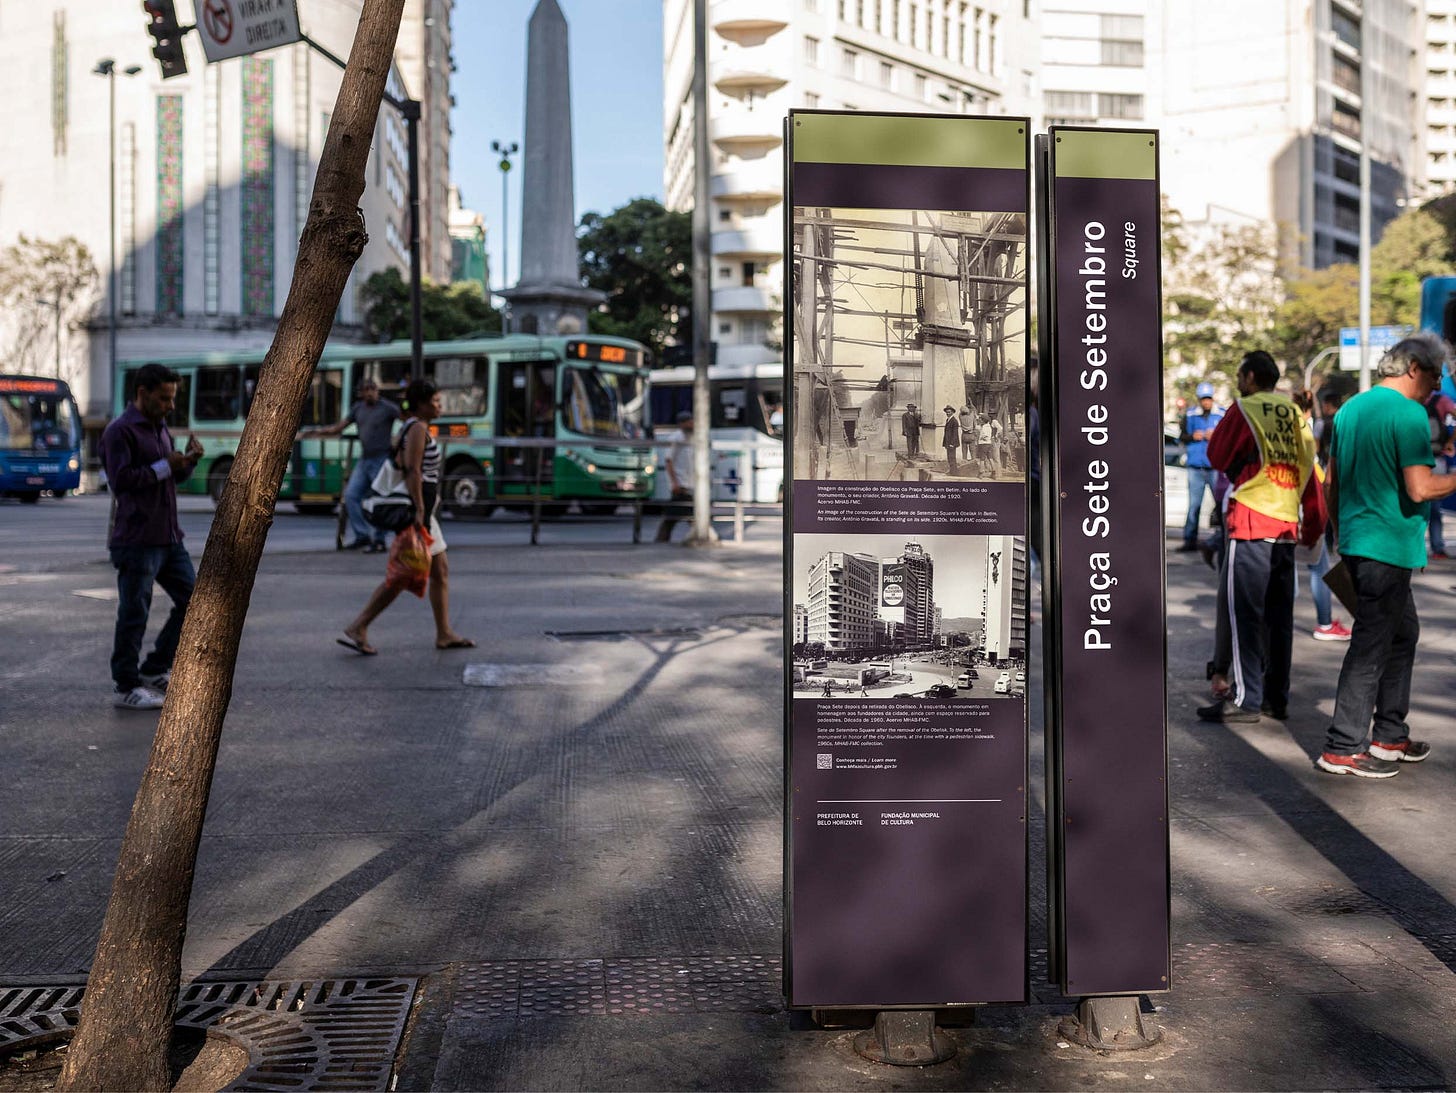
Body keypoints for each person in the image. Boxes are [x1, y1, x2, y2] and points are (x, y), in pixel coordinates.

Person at [1316, 333, 1456, 777]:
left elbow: (1332, 483)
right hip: (1389, 544)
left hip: (1359, 540)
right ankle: (1342, 747)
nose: (1437, 385)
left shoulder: (1352, 408)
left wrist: (1341, 535)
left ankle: (1390, 735)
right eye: (1436, 375)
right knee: (1371, 646)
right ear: (1414, 367)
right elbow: (1420, 488)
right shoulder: (1411, 414)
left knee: (1400, 635)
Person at [1197, 351, 1325, 724]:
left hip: (1252, 520)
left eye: (1240, 376)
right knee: (1279, 620)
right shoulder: (1295, 417)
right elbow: (1309, 476)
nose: (1239, 382)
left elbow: (1217, 455)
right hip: (1287, 527)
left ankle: (1245, 699)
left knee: (1245, 616)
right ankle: (1275, 698)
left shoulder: (1246, 407)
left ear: (1251, 377)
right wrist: (1313, 529)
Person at [339, 379, 474, 654]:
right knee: (403, 573)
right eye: (435, 401)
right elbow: (413, 470)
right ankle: (360, 625)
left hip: (422, 511)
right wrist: (420, 509)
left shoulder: (415, 427)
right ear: (422, 404)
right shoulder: (417, 428)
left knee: (439, 571)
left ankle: (444, 632)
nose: (440, 406)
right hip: (417, 511)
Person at [100, 363, 203, 710]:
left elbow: (170, 479)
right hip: (137, 538)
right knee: (134, 613)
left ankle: (156, 666)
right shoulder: (120, 431)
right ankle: (125, 684)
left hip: (169, 537)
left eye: (172, 398)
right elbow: (122, 481)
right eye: (164, 398)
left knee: (194, 602)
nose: (170, 406)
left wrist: (187, 463)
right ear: (142, 394)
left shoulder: (160, 429)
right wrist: (166, 467)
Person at [301, 377, 400, 552]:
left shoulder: (387, 408)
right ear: (361, 393)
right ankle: (362, 535)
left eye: (373, 389)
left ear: (377, 390)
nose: (370, 392)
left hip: (381, 457)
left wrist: (399, 441)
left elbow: (405, 418)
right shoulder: (358, 409)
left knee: (381, 497)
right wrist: (318, 432)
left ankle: (379, 539)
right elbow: (339, 427)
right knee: (351, 495)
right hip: (365, 458)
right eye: (366, 389)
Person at [1179, 381, 1224, 552]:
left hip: (1214, 467)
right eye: (1203, 399)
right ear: (1199, 399)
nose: (1206, 402)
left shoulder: (1221, 414)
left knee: (1220, 505)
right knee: (1194, 506)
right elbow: (1181, 436)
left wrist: (1216, 436)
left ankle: (1222, 539)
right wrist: (1192, 436)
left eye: (1208, 398)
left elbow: (1228, 438)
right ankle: (1190, 541)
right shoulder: (1190, 415)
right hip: (1195, 467)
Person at [1422, 386, 1456, 559]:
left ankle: (1415, 548)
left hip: (1413, 458)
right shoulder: (1441, 400)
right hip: (1436, 458)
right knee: (1435, 507)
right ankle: (1437, 547)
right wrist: (1450, 442)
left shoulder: (1410, 400)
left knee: (1415, 505)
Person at [655, 410, 695, 543]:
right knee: (689, 515)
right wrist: (674, 483)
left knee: (673, 517)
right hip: (680, 484)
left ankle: (661, 539)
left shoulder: (692, 438)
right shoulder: (676, 438)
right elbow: (668, 461)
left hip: (688, 484)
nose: (692, 424)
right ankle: (703, 534)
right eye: (689, 422)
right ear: (682, 423)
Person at [941, 405, 960, 474]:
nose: (947, 413)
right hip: (948, 442)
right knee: (949, 457)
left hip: (951, 443)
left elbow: (955, 434)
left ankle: (954, 472)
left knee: (952, 457)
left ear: (952, 412)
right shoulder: (948, 420)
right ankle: (952, 471)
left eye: (949, 412)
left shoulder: (954, 421)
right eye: (946, 412)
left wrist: (952, 443)